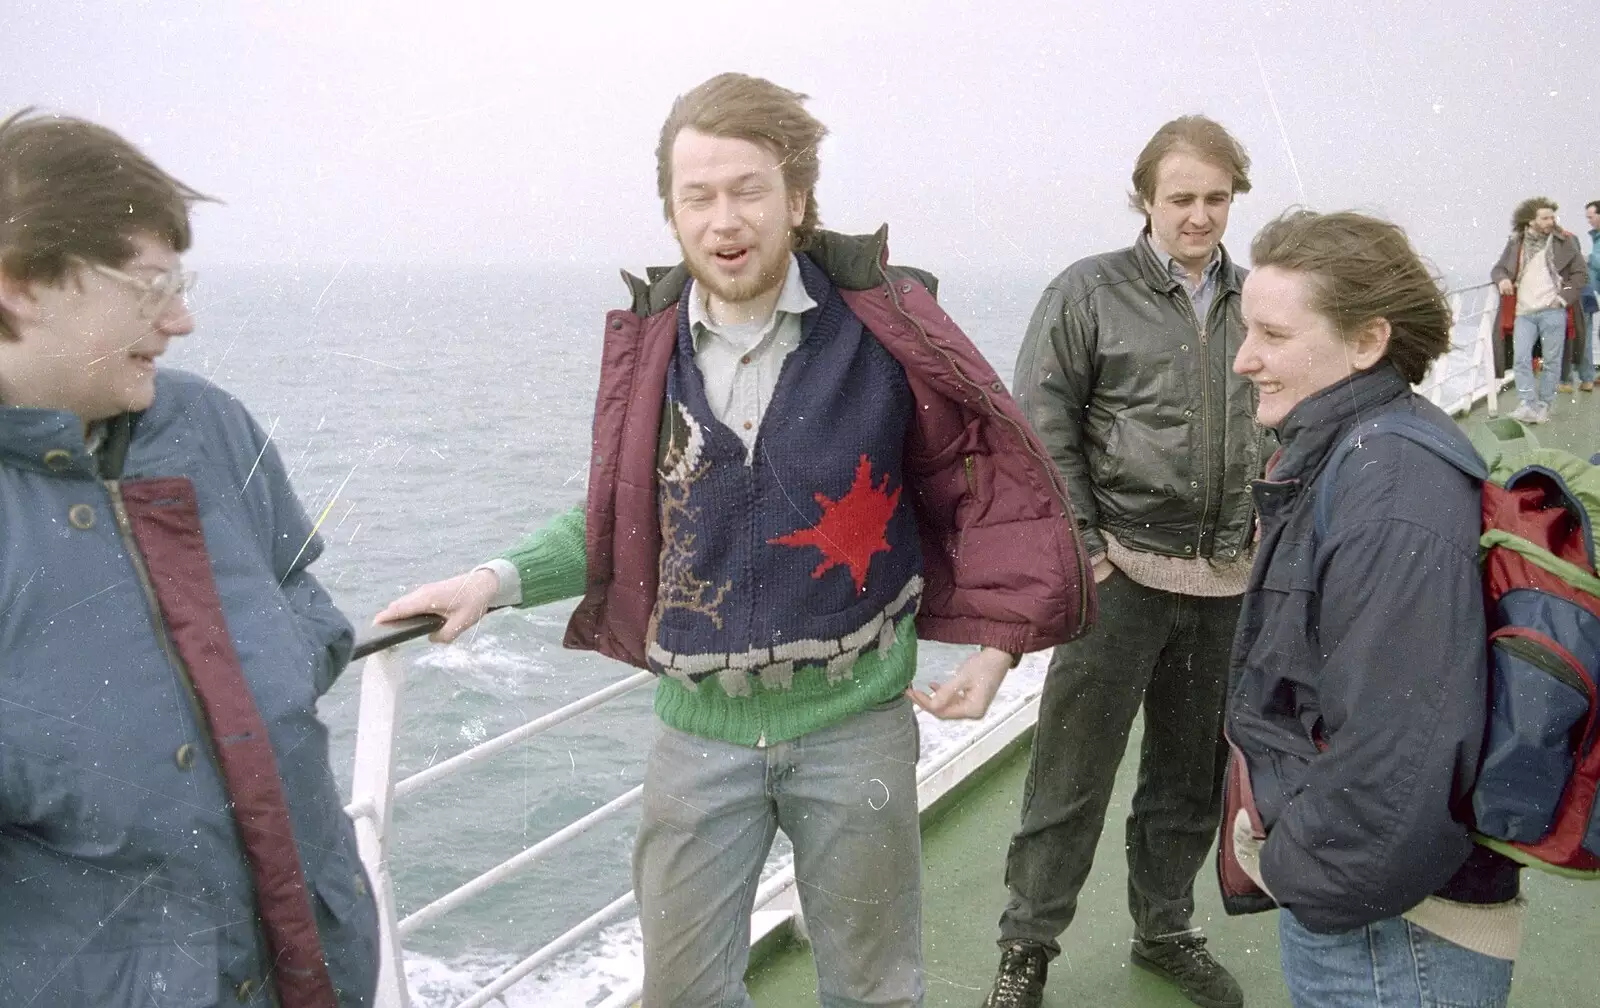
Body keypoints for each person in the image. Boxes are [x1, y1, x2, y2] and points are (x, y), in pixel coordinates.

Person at [376, 72, 1093, 1008]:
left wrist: (1000, 648)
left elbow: (979, 491)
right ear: (671, 215)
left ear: (796, 200)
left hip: (857, 727)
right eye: (698, 195)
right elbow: (623, 515)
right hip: (698, 738)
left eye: (749, 189)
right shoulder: (653, 356)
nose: (725, 218)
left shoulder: (882, 334)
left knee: (875, 991)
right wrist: (493, 580)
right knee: (682, 995)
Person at [0, 110, 377, 1006]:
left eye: (181, 280)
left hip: (314, 962)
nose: (181, 318)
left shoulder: (207, 425)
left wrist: (241, 683)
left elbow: (306, 604)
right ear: (17, 286)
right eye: (148, 286)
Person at [985, 116, 1264, 1008]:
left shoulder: (1259, 299)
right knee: (1071, 778)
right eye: (1181, 198)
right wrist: (1088, 551)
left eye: (1216, 198)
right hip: (1119, 582)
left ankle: (1166, 929)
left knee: (1190, 777)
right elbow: (1041, 425)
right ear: (1144, 198)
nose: (1200, 216)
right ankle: (1027, 945)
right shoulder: (1087, 292)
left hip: (1226, 585)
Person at [1227, 209, 1522, 1007]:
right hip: (1381, 911)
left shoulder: (1388, 486)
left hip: (1394, 937)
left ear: (1367, 342)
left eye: (1273, 336)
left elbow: (1401, 752)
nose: (1244, 359)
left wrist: (1301, 875)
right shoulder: (1360, 450)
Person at [1491, 197, 1589, 419]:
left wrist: (1563, 298)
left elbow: (1580, 273)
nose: (1551, 221)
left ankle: (1544, 405)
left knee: (1552, 361)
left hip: (1553, 310)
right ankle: (1527, 403)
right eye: (1544, 218)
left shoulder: (1565, 241)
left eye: (1552, 217)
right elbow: (1498, 269)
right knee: (1521, 359)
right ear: (1530, 221)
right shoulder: (1516, 243)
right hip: (1523, 313)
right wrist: (1502, 280)